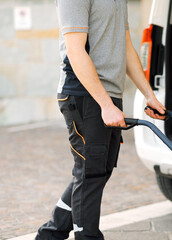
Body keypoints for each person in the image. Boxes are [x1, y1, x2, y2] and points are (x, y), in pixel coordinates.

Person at [36, 0, 165, 239]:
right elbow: (75, 50)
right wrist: (105, 104)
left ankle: (50, 234)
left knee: (98, 172)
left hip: (110, 96)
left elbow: (126, 47)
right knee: (90, 174)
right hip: (84, 95)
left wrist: (149, 95)